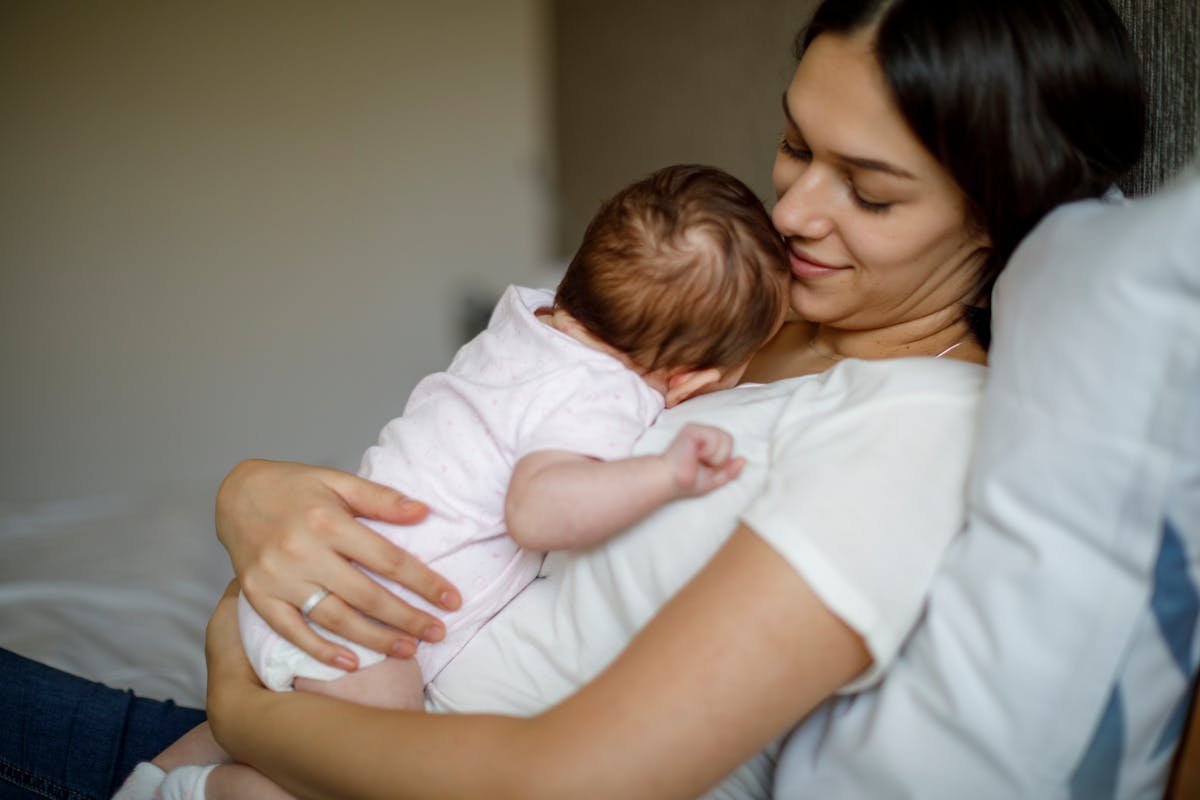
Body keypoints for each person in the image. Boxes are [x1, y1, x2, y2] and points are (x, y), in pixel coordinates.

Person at [0, 1, 1146, 798]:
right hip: (315, 721)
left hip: (328, 755)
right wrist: (249, 501)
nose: (793, 209)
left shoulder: (917, 435)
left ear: (997, 210)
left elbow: (565, 778)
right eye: (795, 146)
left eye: (871, 192)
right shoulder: (756, 323)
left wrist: (248, 709)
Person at [116, 163, 791, 799]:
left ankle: (151, 778)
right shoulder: (600, 395)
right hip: (363, 625)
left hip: (311, 583)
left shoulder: (526, 322)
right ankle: (197, 790)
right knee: (375, 776)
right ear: (691, 381)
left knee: (271, 727)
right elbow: (538, 509)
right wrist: (664, 474)